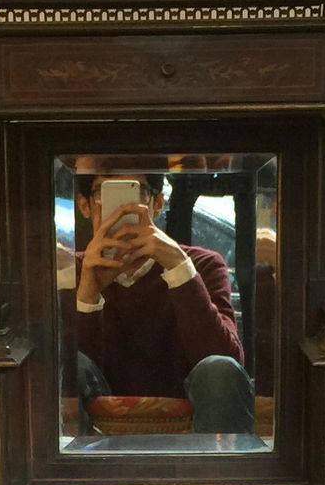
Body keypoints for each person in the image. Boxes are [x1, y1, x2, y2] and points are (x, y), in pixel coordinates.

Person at [61, 172, 255, 435]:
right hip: (96, 426)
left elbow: (229, 363)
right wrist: (87, 294)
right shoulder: (71, 270)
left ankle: (219, 476)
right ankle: (71, 476)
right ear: (85, 205)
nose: (122, 207)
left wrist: (178, 268)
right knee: (67, 363)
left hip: (196, 411)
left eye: (136, 191)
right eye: (104, 192)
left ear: (158, 202)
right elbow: (70, 374)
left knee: (219, 369)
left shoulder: (201, 264)